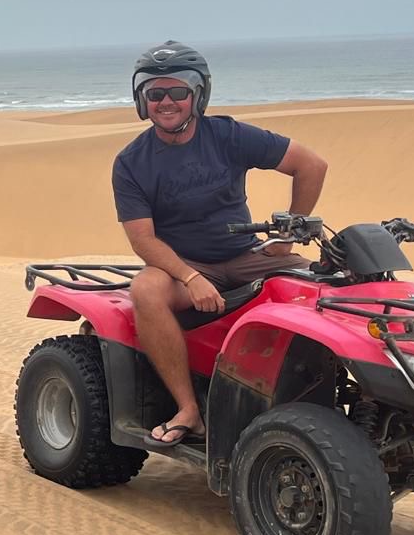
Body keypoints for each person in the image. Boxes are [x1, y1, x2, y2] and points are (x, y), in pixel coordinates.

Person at [111, 41, 328, 447]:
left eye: (178, 91)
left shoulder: (228, 135)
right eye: (155, 94)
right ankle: (188, 409)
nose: (166, 102)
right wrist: (190, 277)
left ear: (198, 94)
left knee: (325, 286)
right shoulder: (132, 162)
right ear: (142, 100)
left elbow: (311, 165)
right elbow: (143, 239)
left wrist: (285, 237)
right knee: (145, 289)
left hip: (245, 255)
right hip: (183, 265)